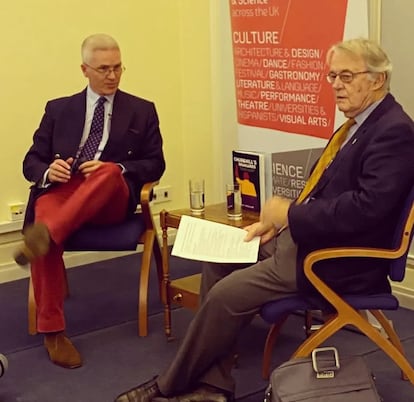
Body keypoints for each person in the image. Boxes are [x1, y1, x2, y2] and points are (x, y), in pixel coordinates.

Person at [114, 37, 414, 402]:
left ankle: (168, 385)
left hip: (337, 259)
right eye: (332, 76)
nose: (335, 85)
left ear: (378, 79)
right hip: (308, 240)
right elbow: (326, 195)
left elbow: (367, 209)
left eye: (346, 76)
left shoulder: (394, 131)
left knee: (226, 295)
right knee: (220, 260)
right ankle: (214, 386)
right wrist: (281, 221)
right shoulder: (358, 124)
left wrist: (290, 214)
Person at [13, 33, 165, 369]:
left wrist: (120, 166)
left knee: (107, 174)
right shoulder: (58, 109)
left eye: (117, 68)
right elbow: (31, 161)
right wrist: (48, 171)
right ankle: (53, 332)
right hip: (65, 189)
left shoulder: (142, 110)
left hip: (109, 195)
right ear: (84, 70)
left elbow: (156, 164)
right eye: (103, 69)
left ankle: (47, 234)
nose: (112, 76)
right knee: (46, 213)